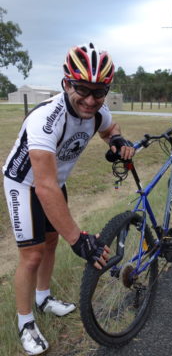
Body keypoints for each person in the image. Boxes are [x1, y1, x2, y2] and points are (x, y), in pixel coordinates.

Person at [2, 42, 134, 355]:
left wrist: (116, 140)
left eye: (98, 92)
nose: (90, 100)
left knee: (50, 243)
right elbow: (43, 187)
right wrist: (79, 239)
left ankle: (43, 297)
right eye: (82, 89)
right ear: (66, 83)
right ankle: (25, 321)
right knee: (32, 254)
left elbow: (109, 126)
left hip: (54, 180)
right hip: (25, 182)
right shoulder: (47, 119)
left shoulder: (97, 111)